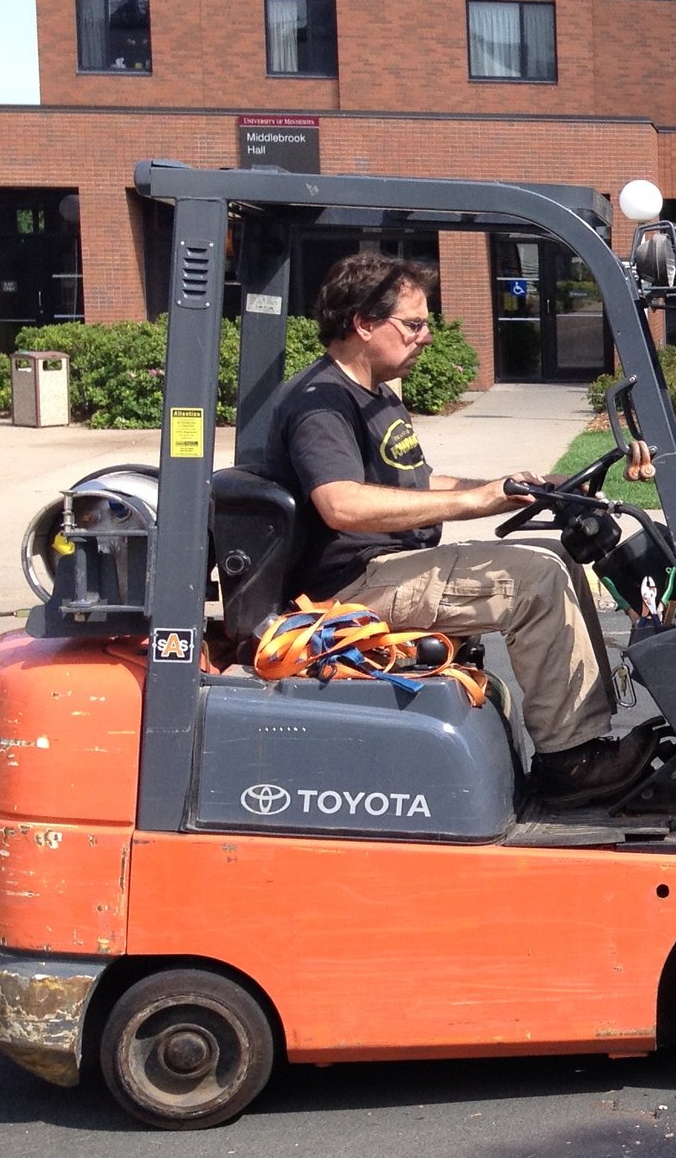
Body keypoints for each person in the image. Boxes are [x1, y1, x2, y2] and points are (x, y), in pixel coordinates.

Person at [263, 252, 656, 808]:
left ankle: (586, 735)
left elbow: (421, 482)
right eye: (414, 324)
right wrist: (475, 500)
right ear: (363, 323)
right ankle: (572, 760)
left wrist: (526, 485)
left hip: (383, 570)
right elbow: (341, 504)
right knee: (533, 578)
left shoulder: (374, 393)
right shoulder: (320, 402)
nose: (426, 337)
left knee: (557, 558)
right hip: (348, 588)